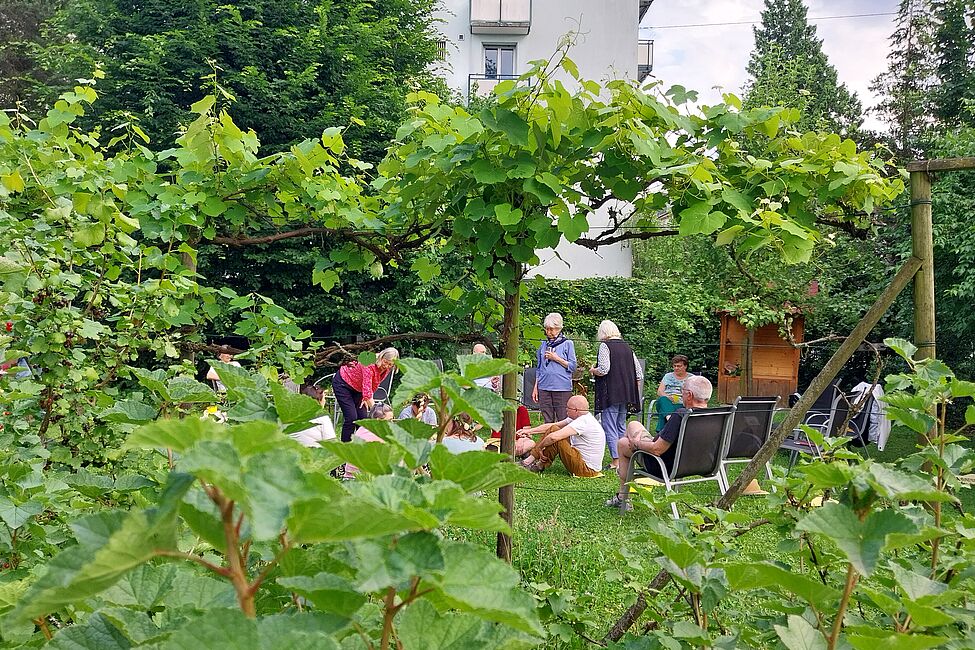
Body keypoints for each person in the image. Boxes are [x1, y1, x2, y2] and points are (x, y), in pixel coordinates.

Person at [606, 375, 713, 509]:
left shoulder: (681, 415)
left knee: (623, 443)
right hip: (701, 464)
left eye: (682, 391)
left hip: (663, 465)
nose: (681, 394)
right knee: (633, 424)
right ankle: (623, 491)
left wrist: (636, 444)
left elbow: (657, 449)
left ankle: (623, 496)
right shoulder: (716, 416)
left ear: (689, 395)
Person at [589, 320, 643, 471]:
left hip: (611, 393)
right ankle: (626, 457)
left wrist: (593, 371)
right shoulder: (627, 347)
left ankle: (616, 460)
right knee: (620, 425)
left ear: (603, 332)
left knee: (610, 425)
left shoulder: (605, 346)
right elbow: (639, 373)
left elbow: (604, 369)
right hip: (626, 393)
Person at [517, 395, 604, 477]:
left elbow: (553, 437)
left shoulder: (583, 421)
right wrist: (529, 431)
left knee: (556, 436)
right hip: (583, 464)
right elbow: (552, 426)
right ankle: (536, 464)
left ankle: (529, 463)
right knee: (554, 430)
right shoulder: (580, 418)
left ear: (576, 410)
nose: (566, 409)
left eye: (568, 408)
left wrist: (540, 447)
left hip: (587, 470)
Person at [332, 347, 399, 443]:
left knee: (363, 419)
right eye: (385, 362)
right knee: (351, 418)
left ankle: (363, 444)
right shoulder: (369, 362)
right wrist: (377, 411)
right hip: (343, 384)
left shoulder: (387, 367)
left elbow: (374, 384)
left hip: (358, 388)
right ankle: (345, 446)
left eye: (390, 364)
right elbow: (367, 389)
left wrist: (366, 398)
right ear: (381, 357)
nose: (387, 366)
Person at [532, 313, 577, 423]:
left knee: (562, 419)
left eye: (551, 329)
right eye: (547, 329)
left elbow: (573, 366)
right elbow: (539, 368)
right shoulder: (543, 344)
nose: (548, 332)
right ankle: (549, 435)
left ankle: (561, 435)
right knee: (548, 420)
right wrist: (535, 387)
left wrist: (556, 358)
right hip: (544, 387)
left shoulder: (568, 344)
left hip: (561, 388)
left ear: (559, 328)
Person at [343, 403, 394, 479]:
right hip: (361, 479)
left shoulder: (363, 428)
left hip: (351, 477)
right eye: (389, 420)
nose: (392, 423)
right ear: (379, 420)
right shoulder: (377, 435)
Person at [654, 354, 693, 432]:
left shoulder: (691, 378)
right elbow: (660, 391)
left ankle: (662, 432)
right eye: (674, 366)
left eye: (679, 366)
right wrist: (667, 397)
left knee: (663, 410)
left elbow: (693, 394)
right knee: (663, 399)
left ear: (685, 366)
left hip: (682, 404)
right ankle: (671, 422)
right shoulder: (667, 376)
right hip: (666, 401)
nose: (676, 368)